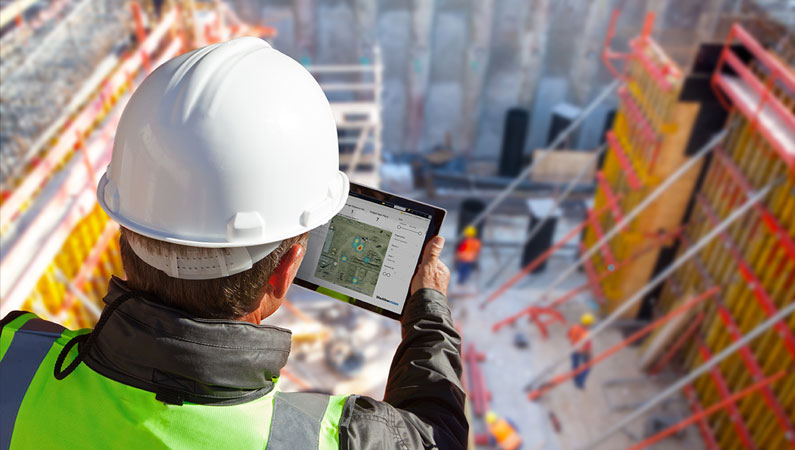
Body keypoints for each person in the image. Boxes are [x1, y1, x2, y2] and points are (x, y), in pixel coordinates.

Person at [0, 37, 467, 449]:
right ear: (284, 271)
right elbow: (436, 435)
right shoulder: (327, 439)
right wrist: (428, 312)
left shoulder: (12, 357)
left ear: (127, 227)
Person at [568, 312, 595, 389]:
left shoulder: (574, 327)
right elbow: (588, 346)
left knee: (575, 364)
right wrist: (590, 355)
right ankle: (579, 383)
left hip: (573, 348)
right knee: (587, 367)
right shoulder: (586, 334)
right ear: (588, 324)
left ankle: (575, 378)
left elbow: (568, 335)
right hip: (582, 351)